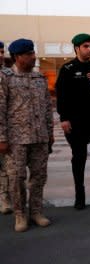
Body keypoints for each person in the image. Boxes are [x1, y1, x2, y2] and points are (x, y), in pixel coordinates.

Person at [0, 39, 54, 232]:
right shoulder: (5, 78)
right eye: (29, 54)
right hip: (16, 140)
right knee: (17, 179)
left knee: (39, 176)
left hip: (40, 137)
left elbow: (48, 108)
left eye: (33, 52)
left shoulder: (39, 78)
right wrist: (2, 138)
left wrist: (50, 133)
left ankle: (36, 212)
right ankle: (20, 214)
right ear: (17, 57)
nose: (33, 56)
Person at [55, 33, 90, 210]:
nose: (89, 49)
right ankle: (80, 194)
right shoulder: (68, 69)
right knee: (79, 159)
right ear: (77, 48)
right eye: (86, 46)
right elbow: (61, 95)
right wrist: (64, 118)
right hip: (76, 124)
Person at [0, 40, 12, 215]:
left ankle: (5, 200)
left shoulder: (10, 74)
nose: (1, 55)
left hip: (6, 128)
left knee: (6, 168)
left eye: (2, 52)